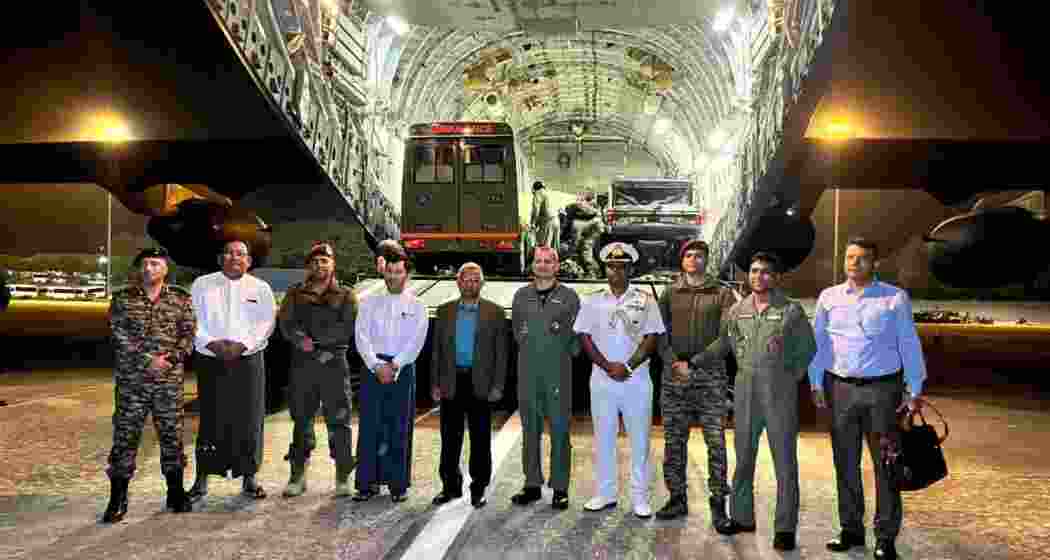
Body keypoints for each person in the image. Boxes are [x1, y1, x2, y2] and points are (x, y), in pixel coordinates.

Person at [810, 238, 928, 560]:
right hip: (840, 390)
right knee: (845, 463)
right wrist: (815, 382)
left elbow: (909, 343)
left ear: (874, 264)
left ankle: (886, 537)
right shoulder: (828, 298)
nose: (854, 263)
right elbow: (819, 344)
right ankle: (850, 530)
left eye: (862, 258)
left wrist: (915, 389)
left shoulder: (894, 298)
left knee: (887, 464)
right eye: (850, 257)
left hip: (883, 392)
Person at [692, 251, 816, 550]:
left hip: (778, 392)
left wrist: (787, 378)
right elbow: (724, 342)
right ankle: (743, 516)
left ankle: (785, 528)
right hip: (746, 389)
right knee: (744, 456)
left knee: (784, 462)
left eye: (765, 272)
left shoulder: (790, 311)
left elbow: (808, 349)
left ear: (775, 278)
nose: (758, 276)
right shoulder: (738, 310)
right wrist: (695, 360)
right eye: (754, 271)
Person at [102, 247, 196, 523]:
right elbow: (117, 335)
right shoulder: (122, 299)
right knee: (125, 437)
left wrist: (170, 359)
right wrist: (147, 360)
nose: (148, 269)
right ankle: (118, 497)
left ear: (165, 268)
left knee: (172, 436)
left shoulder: (180, 299)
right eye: (144, 264)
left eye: (155, 264)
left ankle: (175, 492)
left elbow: (189, 334)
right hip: (133, 383)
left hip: (168, 381)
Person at [575, 242, 664, 518]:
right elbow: (584, 336)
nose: (616, 271)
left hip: (636, 380)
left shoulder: (645, 300)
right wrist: (605, 365)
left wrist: (627, 366)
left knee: (640, 439)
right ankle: (606, 492)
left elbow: (652, 337)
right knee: (604, 437)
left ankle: (639, 497)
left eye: (622, 267)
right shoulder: (592, 300)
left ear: (630, 269)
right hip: (602, 380)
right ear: (605, 268)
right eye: (612, 266)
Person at [187, 240, 276, 502]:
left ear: (249, 261)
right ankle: (202, 477)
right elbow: (190, 318)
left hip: (248, 358)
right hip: (210, 357)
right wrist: (210, 342)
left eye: (240, 253)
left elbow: (267, 321)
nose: (234, 257)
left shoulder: (260, 288)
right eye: (228, 252)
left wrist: (243, 345)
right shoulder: (202, 284)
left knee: (249, 417)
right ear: (220, 258)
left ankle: (249, 476)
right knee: (211, 417)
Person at [655, 239, 735, 524]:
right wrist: (673, 362)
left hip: (710, 376)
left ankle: (718, 502)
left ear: (707, 260)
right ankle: (676, 498)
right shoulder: (669, 292)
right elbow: (659, 333)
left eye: (699, 255)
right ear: (682, 260)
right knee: (674, 441)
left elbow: (727, 337)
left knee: (716, 442)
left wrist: (695, 363)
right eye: (688, 255)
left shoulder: (723, 294)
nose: (693, 259)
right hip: (674, 376)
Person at [277, 242, 358, 498]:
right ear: (308, 266)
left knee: (340, 422)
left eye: (324, 260)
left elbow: (347, 327)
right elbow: (287, 323)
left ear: (333, 264)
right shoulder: (295, 294)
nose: (319, 265)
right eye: (314, 261)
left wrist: (320, 346)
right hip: (303, 367)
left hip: (334, 365)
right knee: (301, 420)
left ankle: (343, 475)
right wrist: (302, 340)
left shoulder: (346, 295)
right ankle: (298, 475)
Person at [430, 262, 508, 508]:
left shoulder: (495, 312)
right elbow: (436, 352)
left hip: (481, 384)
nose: (471, 283)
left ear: (482, 284)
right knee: (450, 438)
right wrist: (435, 382)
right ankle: (450, 487)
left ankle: (479, 488)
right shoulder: (444, 312)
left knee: (481, 438)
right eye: (466, 279)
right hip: (451, 382)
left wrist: (498, 385)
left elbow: (501, 354)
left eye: (476, 279)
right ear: (458, 282)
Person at [353, 253, 428, 502]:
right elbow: (361, 336)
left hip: (402, 369)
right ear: (383, 273)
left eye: (399, 272)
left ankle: (398, 485)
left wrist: (395, 365)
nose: (393, 277)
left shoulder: (418, 306)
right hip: (372, 367)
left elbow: (417, 341)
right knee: (370, 425)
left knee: (399, 426)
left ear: (407, 274)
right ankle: (366, 483)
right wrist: (376, 365)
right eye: (390, 272)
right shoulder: (368, 303)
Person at [510, 245, 580, 510]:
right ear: (532, 265)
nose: (543, 265)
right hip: (528, 373)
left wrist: (558, 344)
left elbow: (576, 337)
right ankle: (532, 484)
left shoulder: (569, 297)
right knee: (530, 431)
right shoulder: (521, 296)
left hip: (558, 375)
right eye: (538, 261)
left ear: (557, 265)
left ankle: (560, 487)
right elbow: (518, 332)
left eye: (548, 261)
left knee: (560, 432)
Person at [566, 191, 603, 278]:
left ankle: (593, 273)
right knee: (582, 250)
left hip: (594, 228)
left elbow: (576, 239)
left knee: (585, 250)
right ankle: (592, 272)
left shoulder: (575, 223)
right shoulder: (578, 212)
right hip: (594, 225)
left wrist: (571, 251)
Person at [530, 181, 560, 254]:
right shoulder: (548, 193)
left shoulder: (538, 193)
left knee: (544, 248)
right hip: (556, 221)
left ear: (534, 189)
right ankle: (555, 264)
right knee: (554, 249)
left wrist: (533, 223)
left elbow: (536, 210)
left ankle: (545, 265)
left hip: (547, 222)